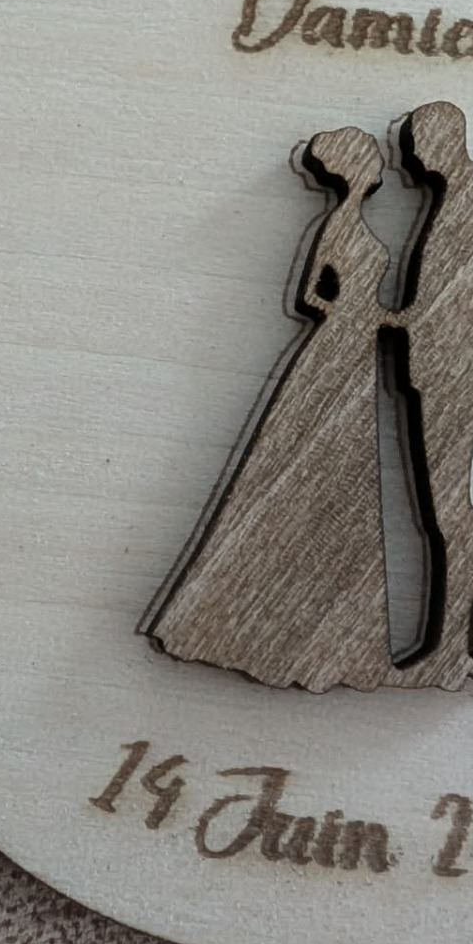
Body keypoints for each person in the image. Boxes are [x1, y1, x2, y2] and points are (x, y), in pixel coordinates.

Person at [142, 127, 394, 691]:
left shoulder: (354, 223)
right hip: (335, 354)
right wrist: (362, 315)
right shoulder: (338, 225)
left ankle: (330, 632)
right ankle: (251, 622)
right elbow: (313, 296)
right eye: (370, 162)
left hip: (357, 355)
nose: (378, 170)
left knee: (345, 481)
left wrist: (377, 319)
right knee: (305, 471)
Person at [389, 102, 473, 688]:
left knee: (447, 511)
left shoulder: (467, 205)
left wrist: (393, 321)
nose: (413, 156)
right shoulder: (454, 200)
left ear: (445, 140)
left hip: (450, 374)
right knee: (446, 511)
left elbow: (452, 305)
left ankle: (469, 642)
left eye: (420, 143)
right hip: (441, 369)